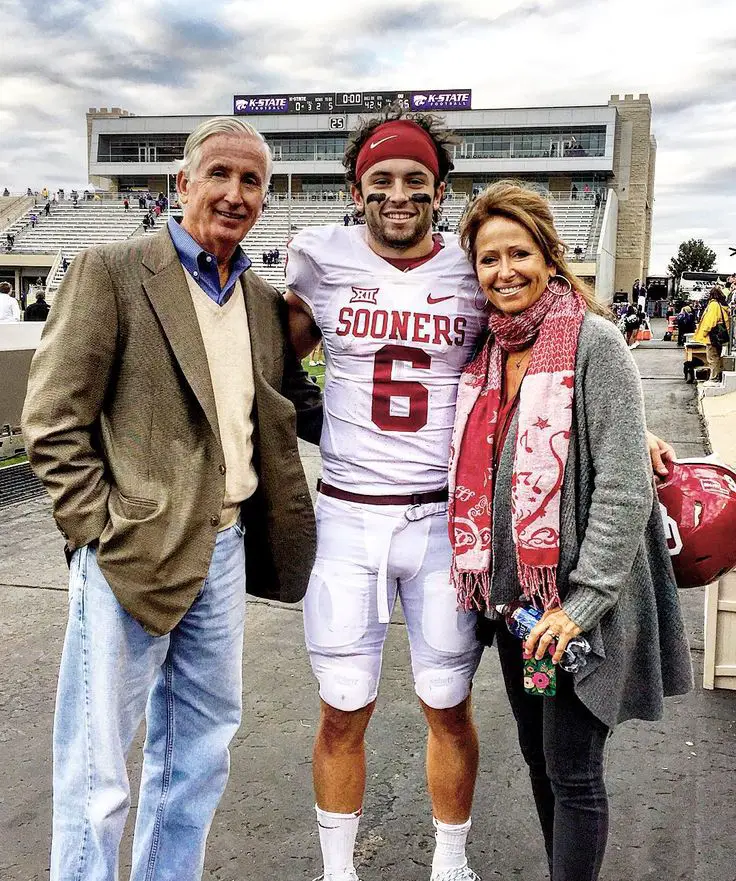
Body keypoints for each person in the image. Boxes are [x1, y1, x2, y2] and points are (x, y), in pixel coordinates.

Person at [22, 116, 321, 881]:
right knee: (97, 774)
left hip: (222, 554)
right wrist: (96, 532)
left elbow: (293, 405)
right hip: (129, 554)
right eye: (218, 174)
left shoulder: (259, 301)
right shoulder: (113, 270)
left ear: (265, 198)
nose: (234, 192)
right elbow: (53, 421)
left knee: (197, 754)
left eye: (251, 180)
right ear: (181, 184)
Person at [449, 181, 693, 881]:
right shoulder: (487, 353)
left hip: (578, 605)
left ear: (550, 256)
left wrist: (580, 602)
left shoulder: (595, 343)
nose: (504, 271)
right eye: (488, 259)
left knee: (575, 769)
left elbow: (623, 486)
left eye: (518, 252)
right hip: (518, 606)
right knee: (539, 758)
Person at [285, 109, 488, 881]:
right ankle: (338, 870)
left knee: (448, 701)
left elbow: (551, 349)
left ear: (439, 189)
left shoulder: (473, 269)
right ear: (356, 187)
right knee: (343, 707)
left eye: (415, 179)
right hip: (348, 516)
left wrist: (627, 426)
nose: (398, 194)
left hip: (442, 517)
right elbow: (266, 358)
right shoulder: (323, 259)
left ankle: (450, 860)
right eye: (381, 180)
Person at [692, 286, 730, 383]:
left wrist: (704, 332)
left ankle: (714, 378)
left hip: (711, 337)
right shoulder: (721, 305)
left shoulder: (713, 305)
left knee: (712, 357)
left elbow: (710, 321)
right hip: (719, 337)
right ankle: (716, 376)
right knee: (717, 356)